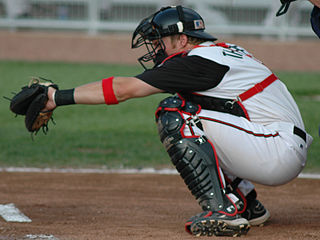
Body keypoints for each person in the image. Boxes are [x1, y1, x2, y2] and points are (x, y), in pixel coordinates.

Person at [43, 6, 313, 237]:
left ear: (183, 39)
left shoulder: (197, 62)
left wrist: (56, 97)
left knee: (176, 113)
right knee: (194, 109)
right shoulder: (222, 52)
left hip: (274, 149)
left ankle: (224, 211)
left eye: (161, 40)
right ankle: (248, 203)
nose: (157, 47)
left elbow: (124, 88)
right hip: (273, 142)